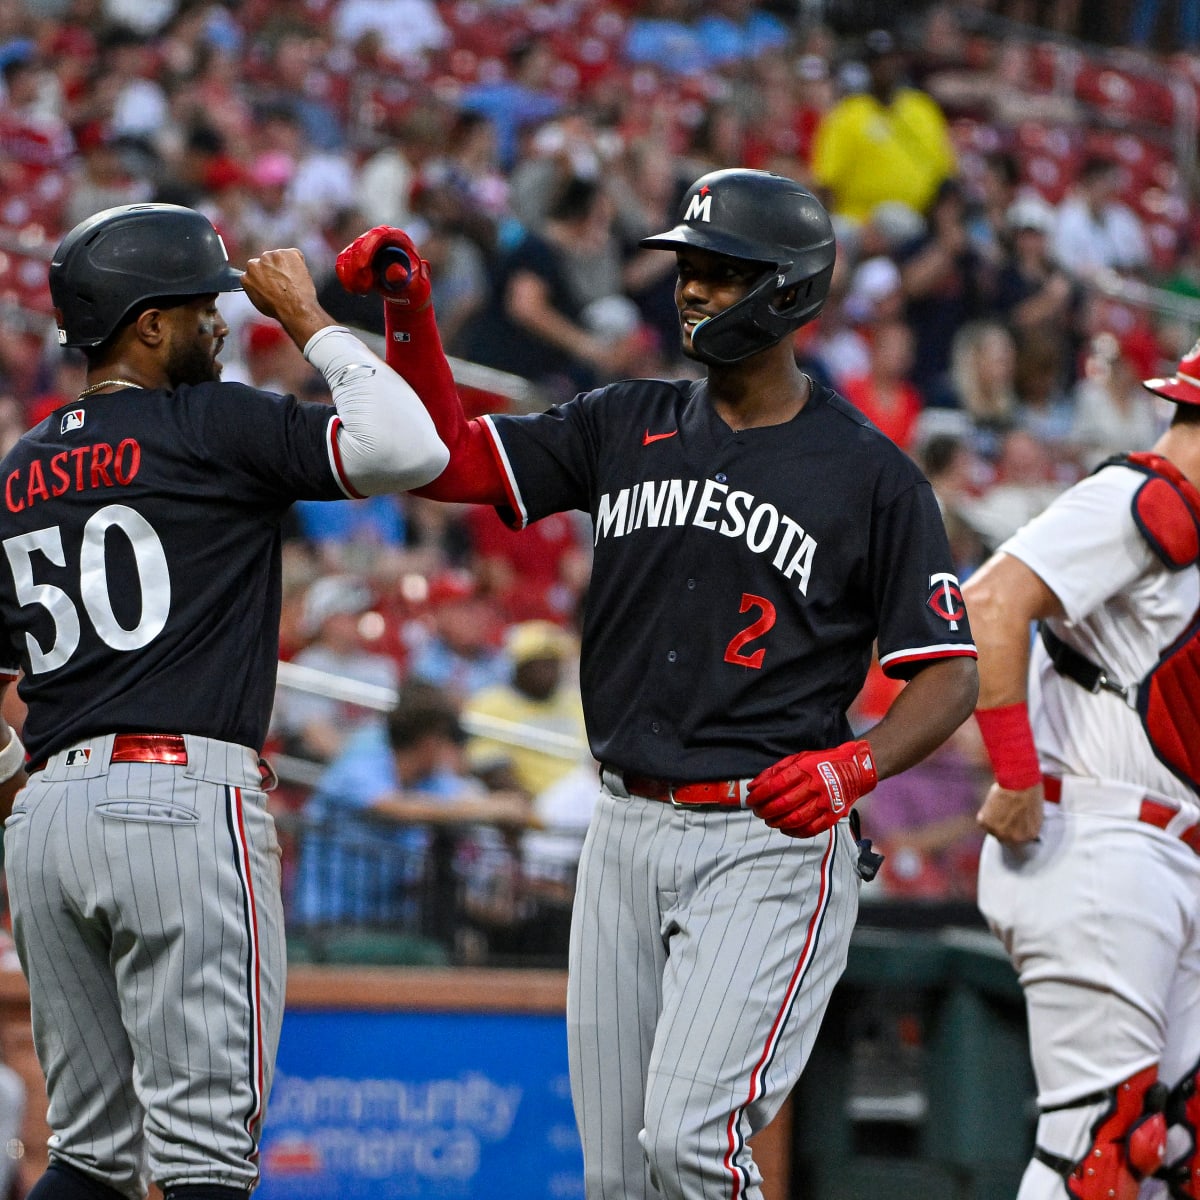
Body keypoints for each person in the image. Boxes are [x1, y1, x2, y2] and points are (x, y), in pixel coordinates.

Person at [334, 166, 979, 1199]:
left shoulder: (870, 476)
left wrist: (857, 766)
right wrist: (409, 317)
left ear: (789, 291)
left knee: (688, 1142)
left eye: (722, 274)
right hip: (624, 824)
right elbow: (447, 461)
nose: (692, 291)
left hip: (763, 839)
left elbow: (948, 675)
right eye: (689, 270)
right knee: (615, 1179)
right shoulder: (623, 419)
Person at [0, 202, 448, 1200]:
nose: (223, 322)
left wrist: (15, 786)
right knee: (203, 1157)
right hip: (177, 801)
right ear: (149, 325)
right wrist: (310, 318)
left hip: (48, 814)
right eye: (204, 307)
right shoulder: (215, 422)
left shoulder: (20, 466)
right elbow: (409, 451)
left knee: (88, 1156)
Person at [962, 341, 1200, 1200]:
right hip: (1097, 841)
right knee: (1102, 1149)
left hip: (1167, 854)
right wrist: (1016, 772)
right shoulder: (1135, 499)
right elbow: (989, 601)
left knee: (1181, 1148)